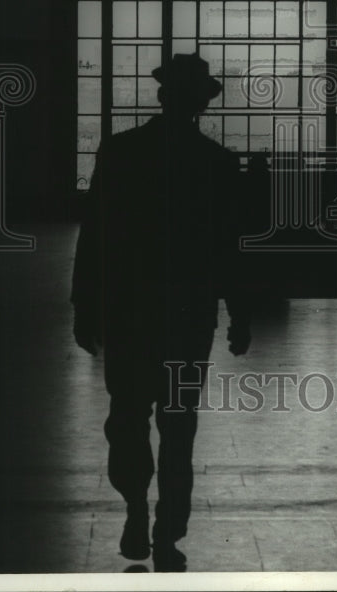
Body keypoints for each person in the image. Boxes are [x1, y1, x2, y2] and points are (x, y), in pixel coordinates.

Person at [71, 53, 251, 572]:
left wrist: (84, 304)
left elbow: (94, 234)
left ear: (161, 96)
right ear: (202, 103)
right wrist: (239, 312)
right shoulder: (215, 163)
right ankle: (169, 526)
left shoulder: (122, 152)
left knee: (127, 415)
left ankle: (133, 506)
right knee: (179, 422)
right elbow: (228, 249)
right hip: (189, 314)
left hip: (128, 310)